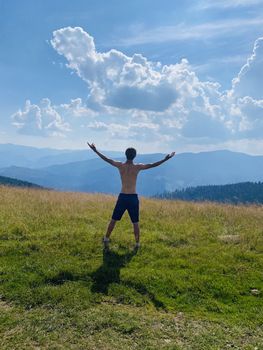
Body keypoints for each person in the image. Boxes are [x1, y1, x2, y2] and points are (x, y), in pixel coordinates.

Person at [87, 142, 175, 249]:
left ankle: (106, 238)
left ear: (125, 155)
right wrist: (165, 159)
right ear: (135, 156)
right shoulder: (137, 167)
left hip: (123, 196)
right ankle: (137, 244)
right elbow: (152, 165)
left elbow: (107, 159)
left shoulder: (120, 165)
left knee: (114, 219)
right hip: (133, 197)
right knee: (135, 222)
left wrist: (95, 150)